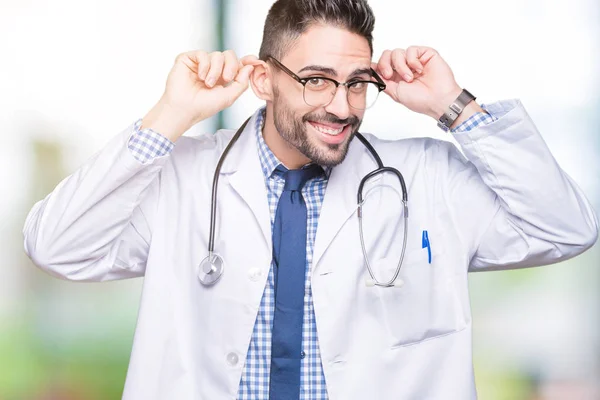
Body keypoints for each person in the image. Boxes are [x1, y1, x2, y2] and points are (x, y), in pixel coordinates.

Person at [23, 0, 599, 398]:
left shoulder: (425, 177)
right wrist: (171, 114)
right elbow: (56, 246)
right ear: (263, 80)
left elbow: (565, 227)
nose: (343, 106)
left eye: (356, 83)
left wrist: (454, 105)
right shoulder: (185, 177)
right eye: (316, 79)